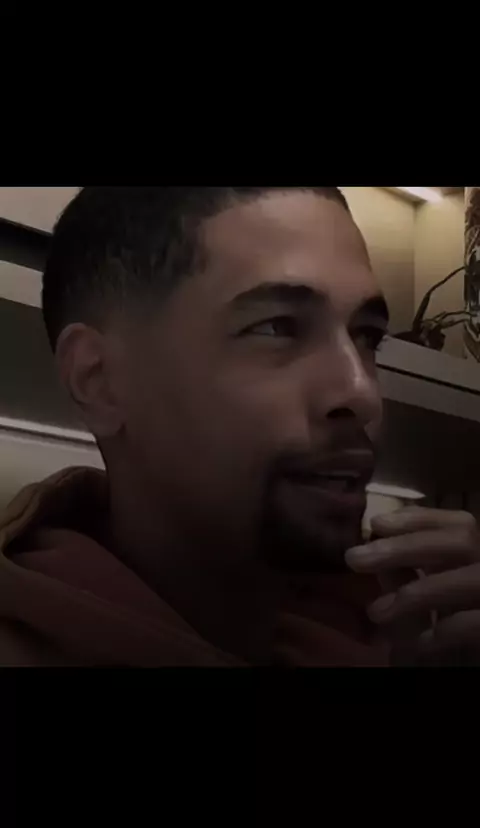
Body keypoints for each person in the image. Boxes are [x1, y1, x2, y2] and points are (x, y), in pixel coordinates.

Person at [0, 186, 479, 667]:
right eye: (276, 327)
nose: (361, 393)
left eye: (368, 336)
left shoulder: (400, 632)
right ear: (99, 381)